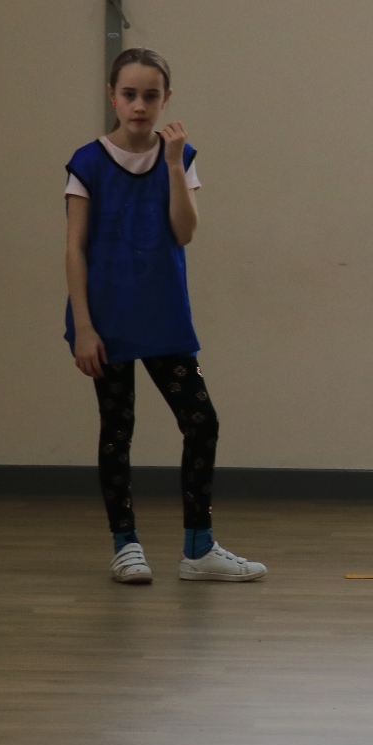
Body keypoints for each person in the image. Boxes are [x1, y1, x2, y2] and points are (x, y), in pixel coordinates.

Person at [64, 48, 265, 585]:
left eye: (150, 95)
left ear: (165, 100)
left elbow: (184, 231)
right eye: (129, 94)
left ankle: (198, 548)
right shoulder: (86, 162)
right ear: (113, 96)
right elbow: (74, 249)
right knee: (117, 429)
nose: (139, 105)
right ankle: (125, 544)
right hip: (107, 322)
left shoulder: (181, 156)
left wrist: (174, 163)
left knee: (202, 422)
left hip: (164, 319)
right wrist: (83, 326)